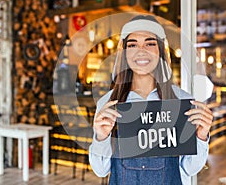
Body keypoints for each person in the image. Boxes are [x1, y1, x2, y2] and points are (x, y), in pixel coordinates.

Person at [89, 15, 213, 185]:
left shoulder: (182, 101)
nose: (141, 50)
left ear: (160, 50)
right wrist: (101, 137)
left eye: (150, 43)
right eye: (132, 45)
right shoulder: (108, 103)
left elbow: (189, 169)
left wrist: (201, 136)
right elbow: (101, 170)